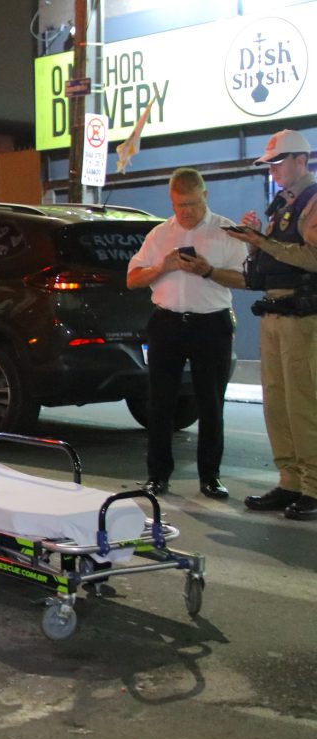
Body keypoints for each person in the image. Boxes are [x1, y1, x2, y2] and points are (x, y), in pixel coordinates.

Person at [126, 168, 247, 499]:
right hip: (167, 323)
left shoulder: (226, 232)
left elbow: (245, 279)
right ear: (171, 200)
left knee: (210, 403)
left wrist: (208, 270)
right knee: (160, 403)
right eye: (180, 205)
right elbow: (133, 278)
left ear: (205, 196)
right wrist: (163, 266)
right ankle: (158, 475)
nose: (187, 212)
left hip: (211, 324)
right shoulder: (159, 234)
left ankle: (210, 476)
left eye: (193, 204)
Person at [226, 129, 317, 521]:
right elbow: (272, 261)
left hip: (302, 317)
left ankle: (312, 486)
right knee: (277, 403)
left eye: (279, 162)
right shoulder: (283, 202)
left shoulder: (313, 200)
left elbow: (312, 257)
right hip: (277, 312)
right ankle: (290, 481)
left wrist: (263, 243)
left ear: (302, 160)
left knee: (302, 403)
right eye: (271, 164)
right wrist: (253, 240)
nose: (274, 170)